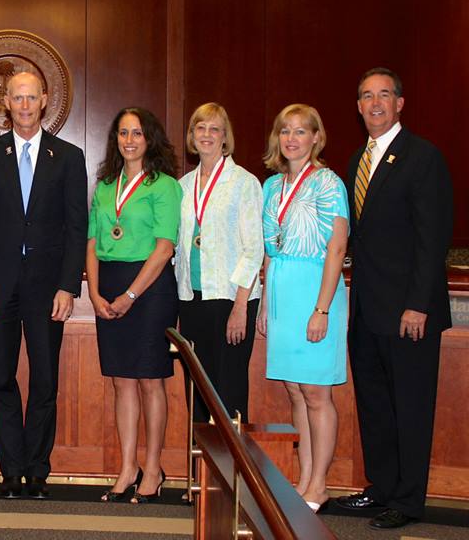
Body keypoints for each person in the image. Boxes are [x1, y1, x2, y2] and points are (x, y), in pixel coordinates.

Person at [335, 69, 453, 530]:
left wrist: (418, 304)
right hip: (366, 310)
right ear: (359, 106)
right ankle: (381, 489)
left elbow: (432, 238)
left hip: (409, 312)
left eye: (385, 95)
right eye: (367, 96)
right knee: (376, 405)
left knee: (411, 406)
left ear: (400, 103)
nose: (376, 103)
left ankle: (408, 500)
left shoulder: (422, 158)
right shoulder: (356, 160)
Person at [0, 71, 87, 499]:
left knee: (44, 379)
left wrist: (68, 286)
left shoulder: (69, 157)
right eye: (16, 98)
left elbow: (77, 228)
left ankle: (37, 469)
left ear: (44, 101)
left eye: (30, 98)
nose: (23, 105)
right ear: (6, 101)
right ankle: (11, 470)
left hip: (47, 288)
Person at [256, 104, 349, 514]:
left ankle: (321, 483)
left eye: (301, 131)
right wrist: (263, 303)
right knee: (295, 390)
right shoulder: (272, 186)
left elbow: (337, 248)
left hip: (315, 292)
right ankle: (304, 477)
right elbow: (269, 249)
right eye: (285, 131)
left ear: (316, 137)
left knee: (316, 392)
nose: (292, 138)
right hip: (280, 294)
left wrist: (322, 309)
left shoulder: (329, 183)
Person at [86, 107, 181, 504]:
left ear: (150, 139)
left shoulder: (164, 185)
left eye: (137, 133)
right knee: (121, 380)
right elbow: (91, 242)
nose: (129, 140)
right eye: (123, 133)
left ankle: (154, 467)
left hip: (150, 288)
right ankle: (128, 466)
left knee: (149, 380)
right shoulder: (106, 184)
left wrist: (131, 296)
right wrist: (94, 293)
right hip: (108, 284)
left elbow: (165, 247)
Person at [175, 103, 263, 424]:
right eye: (201, 128)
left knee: (229, 391)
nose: (207, 135)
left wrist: (240, 307)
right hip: (193, 300)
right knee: (198, 391)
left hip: (231, 301)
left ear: (225, 137)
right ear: (192, 136)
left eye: (215, 129)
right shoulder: (183, 187)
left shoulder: (244, 183)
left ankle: (232, 473)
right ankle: (203, 474)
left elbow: (253, 249)